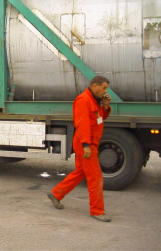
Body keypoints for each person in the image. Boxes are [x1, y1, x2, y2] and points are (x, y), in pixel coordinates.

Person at [47, 76, 112, 222]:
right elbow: (82, 124)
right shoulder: (83, 100)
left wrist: (106, 106)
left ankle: (56, 194)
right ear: (95, 86)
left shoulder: (95, 100)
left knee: (80, 173)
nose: (105, 91)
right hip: (86, 144)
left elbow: (100, 118)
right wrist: (86, 145)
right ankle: (97, 211)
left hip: (89, 143)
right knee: (95, 178)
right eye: (104, 88)